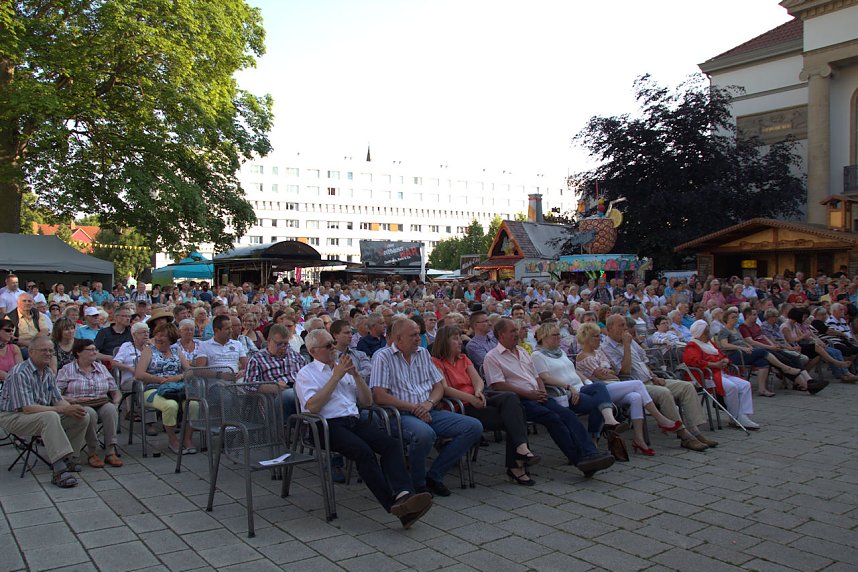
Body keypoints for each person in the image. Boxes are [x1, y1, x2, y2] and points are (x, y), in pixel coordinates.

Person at [295, 329, 433, 528]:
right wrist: (335, 377)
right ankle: (394, 505)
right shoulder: (306, 374)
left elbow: (367, 402)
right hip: (326, 425)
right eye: (328, 345)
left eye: (333, 343)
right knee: (364, 453)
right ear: (313, 351)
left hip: (353, 420)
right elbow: (313, 407)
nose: (334, 348)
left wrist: (356, 376)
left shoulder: (342, 368)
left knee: (391, 444)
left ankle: (404, 493)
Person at [483, 318, 615, 477]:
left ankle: (590, 453)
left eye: (516, 330)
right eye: (512, 331)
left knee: (567, 415)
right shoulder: (492, 357)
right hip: (518, 400)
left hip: (538, 395)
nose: (517, 334)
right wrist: (529, 394)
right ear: (501, 334)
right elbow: (498, 385)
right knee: (553, 419)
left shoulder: (523, 352)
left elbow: (536, 376)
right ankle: (580, 460)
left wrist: (540, 390)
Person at [370, 318, 483, 497]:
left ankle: (434, 475)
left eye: (419, 334)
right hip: (400, 415)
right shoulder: (383, 357)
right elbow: (379, 396)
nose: (418, 338)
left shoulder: (422, 353)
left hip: (429, 410)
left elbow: (438, 386)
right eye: (413, 335)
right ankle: (419, 483)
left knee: (473, 427)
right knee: (424, 434)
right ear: (398, 338)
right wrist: (414, 408)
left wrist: (428, 403)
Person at [431, 325, 539, 485]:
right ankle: (518, 464)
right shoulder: (436, 362)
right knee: (515, 417)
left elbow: (478, 380)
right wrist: (471, 398)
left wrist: (477, 392)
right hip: (460, 405)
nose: (460, 342)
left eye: (460, 338)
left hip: (477, 397)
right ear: (444, 342)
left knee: (511, 398)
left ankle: (520, 453)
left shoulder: (463, 358)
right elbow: (445, 388)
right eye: (455, 338)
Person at [574, 322, 698, 455]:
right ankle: (660, 419)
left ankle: (639, 439)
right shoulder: (582, 357)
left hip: (614, 384)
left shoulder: (598, 353)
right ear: (587, 339)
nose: (600, 338)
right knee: (638, 384)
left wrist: (607, 372)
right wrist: (607, 372)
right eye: (596, 336)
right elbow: (602, 375)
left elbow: (613, 373)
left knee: (636, 397)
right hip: (600, 391)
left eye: (599, 335)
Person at [600, 315, 713, 451]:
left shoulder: (630, 341)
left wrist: (654, 376)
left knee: (686, 387)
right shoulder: (606, 347)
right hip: (635, 385)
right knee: (664, 393)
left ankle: (695, 432)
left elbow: (643, 362)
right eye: (621, 325)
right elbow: (625, 371)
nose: (625, 328)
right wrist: (626, 346)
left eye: (625, 325)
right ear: (610, 328)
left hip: (650, 379)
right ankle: (685, 436)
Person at [0, 336, 90, 487]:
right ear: (31, 352)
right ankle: (59, 471)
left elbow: (57, 399)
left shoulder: (47, 372)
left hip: (38, 414)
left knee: (81, 415)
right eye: (43, 350)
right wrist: (62, 409)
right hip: (12, 416)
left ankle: (69, 458)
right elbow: (27, 408)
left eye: (50, 350)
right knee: (50, 416)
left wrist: (70, 408)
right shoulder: (19, 373)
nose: (48, 354)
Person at [531, 323, 626, 438]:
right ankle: (596, 435)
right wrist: (568, 386)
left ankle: (609, 421)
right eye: (554, 335)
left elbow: (573, 369)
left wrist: (587, 381)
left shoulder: (560, 352)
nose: (558, 337)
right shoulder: (537, 355)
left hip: (579, 387)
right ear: (544, 337)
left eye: (559, 334)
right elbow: (544, 377)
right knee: (598, 402)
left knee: (599, 386)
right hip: (566, 393)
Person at [56, 339, 124, 466]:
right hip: (79, 404)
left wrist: (116, 403)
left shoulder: (101, 368)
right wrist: (73, 400)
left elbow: (115, 391)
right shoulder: (67, 370)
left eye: (95, 349)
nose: (94, 352)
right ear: (78, 352)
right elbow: (56, 394)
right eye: (90, 350)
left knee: (110, 410)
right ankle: (92, 452)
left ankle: (111, 451)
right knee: (89, 413)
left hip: (101, 401)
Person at [683, 320, 759, 430]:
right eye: (707, 332)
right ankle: (735, 417)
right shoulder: (692, 346)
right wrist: (714, 364)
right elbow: (693, 362)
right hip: (706, 376)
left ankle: (743, 415)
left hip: (720, 372)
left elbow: (721, 354)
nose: (710, 334)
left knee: (745, 385)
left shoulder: (710, 343)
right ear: (701, 334)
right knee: (731, 387)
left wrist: (725, 360)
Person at [135, 322, 196, 454]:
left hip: (176, 387)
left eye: (163, 335)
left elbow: (190, 371)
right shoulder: (149, 351)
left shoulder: (176, 350)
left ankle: (187, 439)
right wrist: (160, 380)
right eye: (157, 334)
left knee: (194, 404)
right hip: (153, 389)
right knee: (170, 405)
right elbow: (139, 374)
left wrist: (178, 377)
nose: (158, 338)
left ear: (171, 338)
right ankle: (173, 440)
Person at [716, 309, 806, 397]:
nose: (735, 319)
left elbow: (743, 341)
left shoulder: (736, 329)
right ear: (726, 319)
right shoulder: (724, 331)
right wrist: (742, 348)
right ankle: (785, 367)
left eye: (736, 317)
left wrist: (749, 346)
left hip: (744, 352)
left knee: (763, 361)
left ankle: (762, 389)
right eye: (733, 317)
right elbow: (725, 345)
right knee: (763, 351)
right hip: (734, 355)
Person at [244, 324, 305, 418]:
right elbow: (248, 385)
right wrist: (272, 387)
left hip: (299, 392)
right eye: (279, 344)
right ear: (269, 341)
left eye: (286, 344)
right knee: (290, 395)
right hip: (273, 399)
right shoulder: (257, 359)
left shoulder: (296, 357)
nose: (283, 347)